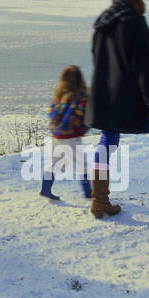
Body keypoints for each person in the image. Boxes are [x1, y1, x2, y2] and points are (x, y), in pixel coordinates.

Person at [86, 0, 149, 217]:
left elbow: (96, 57)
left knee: (107, 143)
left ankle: (99, 199)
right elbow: (145, 66)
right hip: (134, 97)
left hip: (106, 94)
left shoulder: (105, 20)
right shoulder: (133, 21)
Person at [39, 65, 93, 202]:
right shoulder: (81, 96)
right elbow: (85, 116)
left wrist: (54, 129)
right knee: (81, 165)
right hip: (71, 137)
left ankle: (45, 188)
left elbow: (52, 114)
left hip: (57, 135)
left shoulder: (59, 94)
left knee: (54, 163)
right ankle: (88, 192)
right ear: (80, 79)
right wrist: (83, 129)